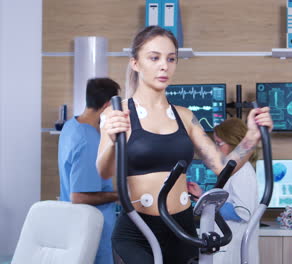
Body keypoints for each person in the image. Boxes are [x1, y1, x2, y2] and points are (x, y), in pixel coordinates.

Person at [96, 25, 272, 264]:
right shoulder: (117, 113)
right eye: (154, 57)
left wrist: (252, 136)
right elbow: (104, 172)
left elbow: (222, 166)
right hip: (138, 229)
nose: (164, 66)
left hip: (181, 227)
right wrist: (111, 136)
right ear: (135, 63)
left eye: (171, 59)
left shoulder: (185, 116)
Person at [58, 77, 120, 264]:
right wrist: (120, 195)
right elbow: (79, 197)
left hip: (75, 224)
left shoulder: (71, 126)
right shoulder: (88, 141)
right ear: (108, 105)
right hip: (94, 229)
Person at [187, 118, 260, 264]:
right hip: (225, 242)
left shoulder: (242, 171)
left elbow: (242, 212)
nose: (216, 148)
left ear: (234, 143)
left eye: (219, 143)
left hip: (233, 246)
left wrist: (209, 204)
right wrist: (202, 197)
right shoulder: (231, 171)